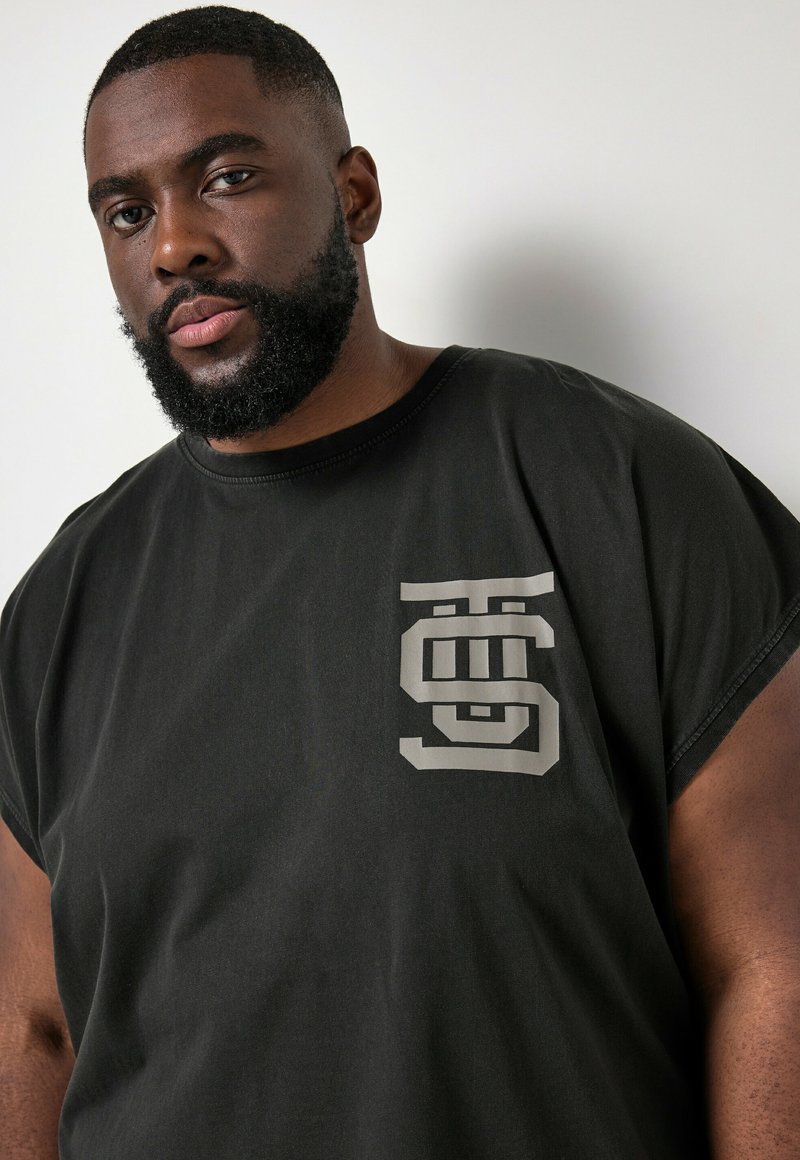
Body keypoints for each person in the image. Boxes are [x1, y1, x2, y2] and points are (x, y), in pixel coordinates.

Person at [1, 6, 798, 1158]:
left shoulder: (620, 489)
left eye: (225, 177)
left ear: (354, 194)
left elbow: (770, 957)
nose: (173, 246)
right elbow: (30, 1028)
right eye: (127, 212)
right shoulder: (65, 602)